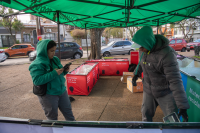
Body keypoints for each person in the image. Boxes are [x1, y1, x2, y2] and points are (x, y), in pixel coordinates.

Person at [132, 26, 190, 122]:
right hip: (148, 90)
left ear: (148, 43)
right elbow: (141, 63)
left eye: (141, 46)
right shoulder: (143, 50)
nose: (140, 49)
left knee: (172, 120)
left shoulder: (167, 54)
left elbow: (175, 80)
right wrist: (136, 74)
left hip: (165, 92)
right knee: (145, 116)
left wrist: (182, 106)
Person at [29, 39, 75, 121]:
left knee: (69, 113)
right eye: (51, 51)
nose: (54, 53)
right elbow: (37, 81)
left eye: (54, 50)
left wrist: (64, 71)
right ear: (43, 51)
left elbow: (58, 75)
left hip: (62, 91)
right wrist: (54, 73)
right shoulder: (36, 64)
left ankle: (74, 129)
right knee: (52, 118)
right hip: (48, 95)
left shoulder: (55, 59)